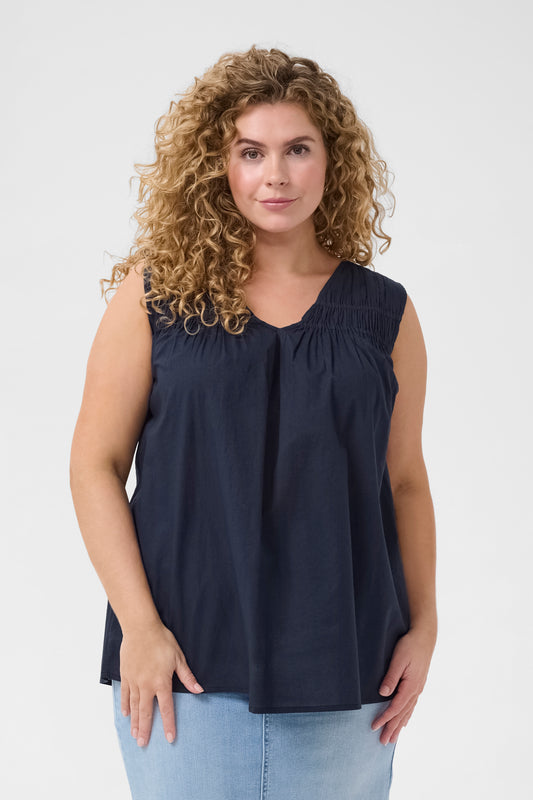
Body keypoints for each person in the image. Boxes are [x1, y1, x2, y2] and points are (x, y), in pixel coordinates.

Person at [70, 45, 437, 800]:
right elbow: (93, 467)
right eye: (251, 151)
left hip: (349, 666)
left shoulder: (384, 313)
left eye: (297, 149)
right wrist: (140, 627)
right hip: (180, 666)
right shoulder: (154, 299)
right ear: (217, 165)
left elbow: (403, 481)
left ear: (331, 161)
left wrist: (425, 625)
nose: (276, 175)